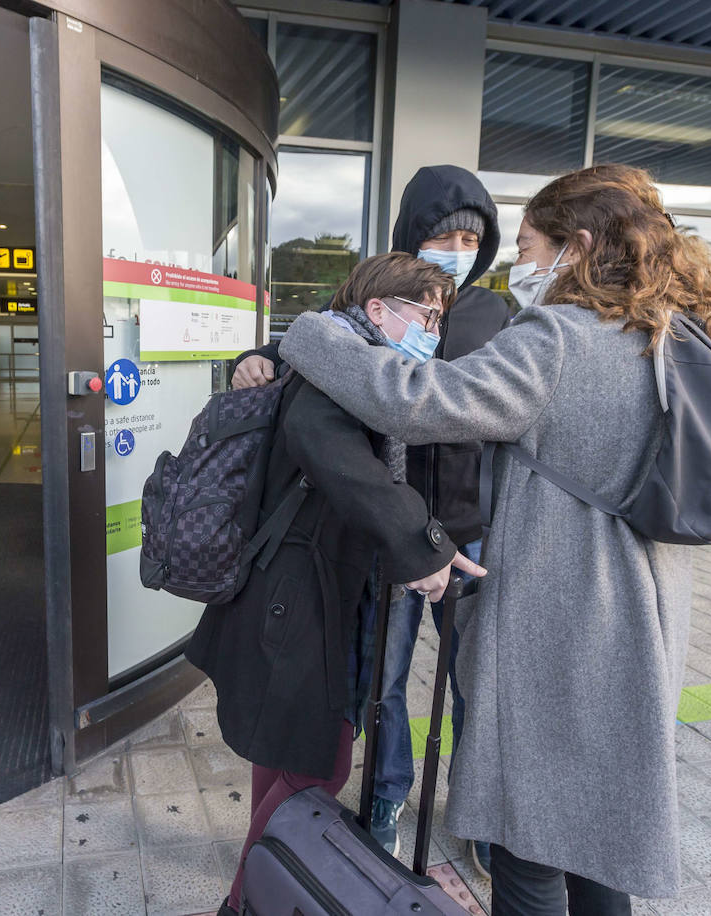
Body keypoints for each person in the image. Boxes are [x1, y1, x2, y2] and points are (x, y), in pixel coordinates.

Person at [278, 163, 711, 912]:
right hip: (650, 603)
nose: (520, 264)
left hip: (567, 606)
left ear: (578, 245)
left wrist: (309, 334)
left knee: (531, 847)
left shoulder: (562, 337)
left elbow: (417, 401)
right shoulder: (683, 329)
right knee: (600, 835)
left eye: (527, 246)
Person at [187, 252, 485, 916]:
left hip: (310, 594)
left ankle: (248, 894)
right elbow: (335, 454)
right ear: (377, 310)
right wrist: (422, 543)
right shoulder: (335, 367)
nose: (434, 328)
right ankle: (248, 899)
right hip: (297, 600)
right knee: (315, 769)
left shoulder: (362, 364)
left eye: (442, 315)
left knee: (289, 757)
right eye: (425, 312)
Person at [233, 164, 511, 870]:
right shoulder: (386, 299)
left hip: (465, 529)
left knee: (473, 676)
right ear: (411, 235)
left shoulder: (495, 317)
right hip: (389, 529)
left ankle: (478, 809)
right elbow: (324, 352)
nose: (456, 246)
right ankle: (384, 797)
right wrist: (256, 357)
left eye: (470, 237)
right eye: (443, 233)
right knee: (381, 678)